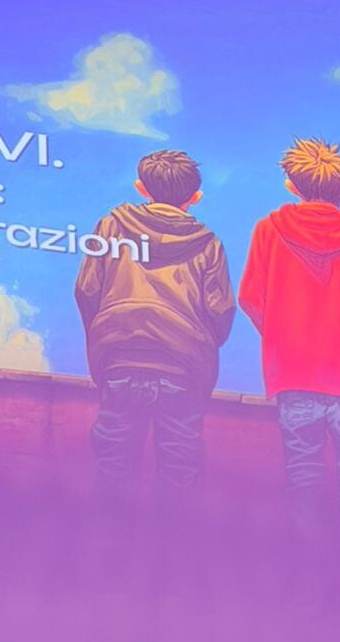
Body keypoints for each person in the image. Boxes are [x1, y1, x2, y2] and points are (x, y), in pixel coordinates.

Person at [239, 138, 340, 528]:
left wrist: (283, 333)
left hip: (294, 375)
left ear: (291, 185)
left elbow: (249, 297)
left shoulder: (268, 232)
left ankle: (308, 559)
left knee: (302, 479)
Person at [75, 149, 236, 493]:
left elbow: (87, 289)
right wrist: (197, 341)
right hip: (183, 365)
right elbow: (220, 310)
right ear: (196, 197)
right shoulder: (209, 243)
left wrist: (105, 333)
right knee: (180, 470)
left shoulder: (110, 226)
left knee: (112, 466)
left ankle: (110, 526)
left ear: (141, 187)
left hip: (119, 358)